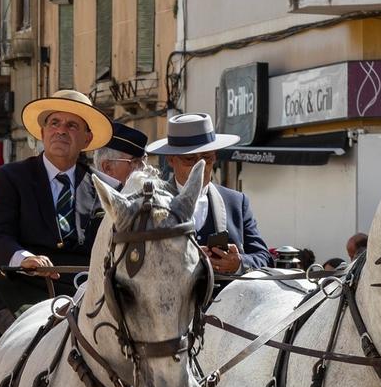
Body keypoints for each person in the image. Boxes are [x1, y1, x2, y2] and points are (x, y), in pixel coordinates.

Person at [0, 90, 114, 320]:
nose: (61, 130)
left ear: (87, 140)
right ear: (43, 132)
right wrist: (24, 259)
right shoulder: (10, 177)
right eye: (54, 123)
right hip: (23, 290)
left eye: (72, 125)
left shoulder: (105, 187)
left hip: (88, 294)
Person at [146, 112, 271, 275]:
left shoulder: (236, 202)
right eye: (190, 159)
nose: (200, 166)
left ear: (215, 157)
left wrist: (239, 263)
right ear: (171, 160)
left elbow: (264, 258)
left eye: (207, 158)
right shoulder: (151, 204)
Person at [94, 121, 148, 189]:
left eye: (144, 160)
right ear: (108, 168)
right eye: (135, 162)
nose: (144, 168)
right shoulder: (87, 197)